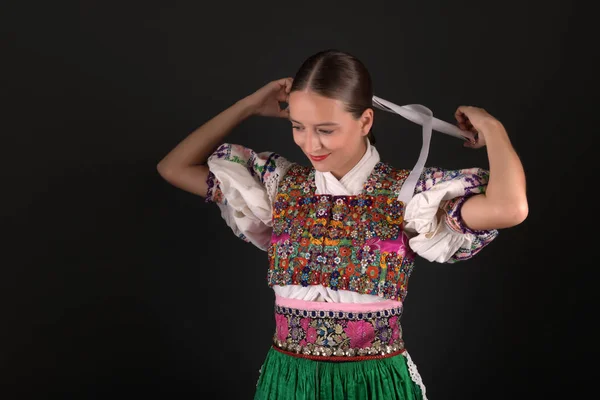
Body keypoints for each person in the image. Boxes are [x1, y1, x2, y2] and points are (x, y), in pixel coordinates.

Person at [156, 49, 528, 400]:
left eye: (326, 129)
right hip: (288, 380)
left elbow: (510, 208)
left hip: (373, 382)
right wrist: (248, 106)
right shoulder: (278, 186)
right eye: (298, 126)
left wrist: (491, 127)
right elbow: (173, 168)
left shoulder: (408, 194)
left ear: (365, 120)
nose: (309, 143)